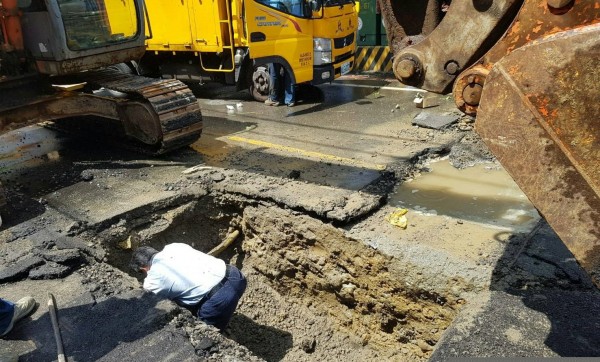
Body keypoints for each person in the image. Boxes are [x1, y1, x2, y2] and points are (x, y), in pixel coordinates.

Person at [130, 244, 247, 331]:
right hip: (236, 276)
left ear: (143, 268)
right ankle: (223, 315)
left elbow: (150, 306)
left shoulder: (152, 281)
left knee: (207, 333)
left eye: (143, 273)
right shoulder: (174, 246)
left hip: (220, 299)